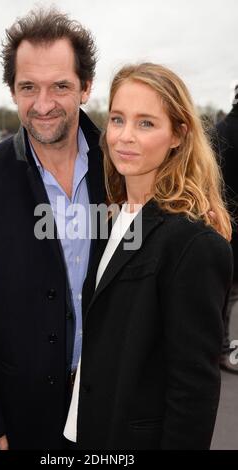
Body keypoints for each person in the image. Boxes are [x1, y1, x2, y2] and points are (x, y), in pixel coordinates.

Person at [0, 8, 105, 450]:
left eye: (60, 86)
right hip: (23, 412)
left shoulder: (123, 167)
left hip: (114, 403)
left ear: (86, 88)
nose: (42, 103)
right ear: (13, 91)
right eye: (28, 87)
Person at [64, 63, 233, 450]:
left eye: (145, 123)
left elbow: (193, 390)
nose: (124, 136)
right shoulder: (112, 216)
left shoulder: (194, 242)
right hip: (80, 429)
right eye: (118, 119)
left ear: (178, 135)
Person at [213, 85, 238, 373]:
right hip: (229, 228)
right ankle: (221, 349)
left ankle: (218, 348)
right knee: (227, 297)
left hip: (218, 224)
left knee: (223, 295)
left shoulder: (219, 131)